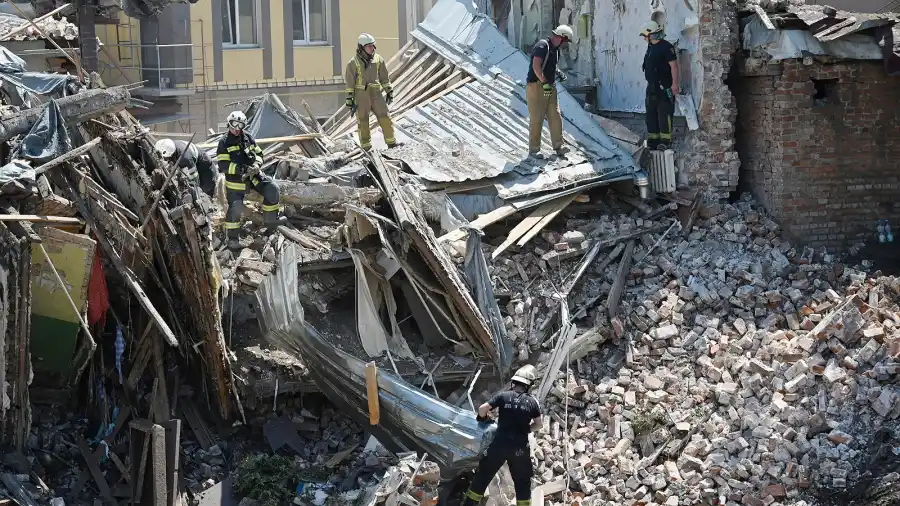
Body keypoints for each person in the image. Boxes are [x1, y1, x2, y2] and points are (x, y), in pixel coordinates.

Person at [462, 365, 543, 506]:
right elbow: (539, 425)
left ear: (514, 382)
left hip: (499, 445)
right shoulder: (532, 402)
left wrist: (485, 418)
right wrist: (526, 429)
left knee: (483, 477)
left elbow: (482, 409)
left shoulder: (503, 396)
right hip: (519, 449)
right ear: (529, 385)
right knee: (522, 482)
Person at [215, 110, 286, 250]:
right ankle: (233, 239)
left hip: (254, 177)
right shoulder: (224, 142)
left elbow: (259, 153)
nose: (236, 129)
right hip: (236, 182)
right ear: (229, 124)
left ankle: (271, 223)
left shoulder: (248, 137)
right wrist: (240, 169)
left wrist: (256, 165)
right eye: (234, 125)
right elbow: (223, 165)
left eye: (240, 126)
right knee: (235, 208)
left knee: (273, 189)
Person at [525, 25, 574, 160]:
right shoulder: (542, 46)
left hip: (549, 87)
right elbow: (536, 66)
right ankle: (534, 150)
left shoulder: (555, 50)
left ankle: (558, 146)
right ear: (561, 37)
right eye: (565, 41)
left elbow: (551, 66)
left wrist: (559, 73)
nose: (565, 45)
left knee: (555, 115)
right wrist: (544, 82)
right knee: (537, 117)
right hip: (537, 86)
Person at [344, 33, 398, 151]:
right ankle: (366, 147)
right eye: (369, 46)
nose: (372, 48)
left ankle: (392, 143)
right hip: (361, 95)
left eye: (373, 46)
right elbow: (349, 82)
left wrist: (389, 90)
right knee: (363, 121)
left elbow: (384, 77)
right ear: (361, 47)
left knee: (385, 117)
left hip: (376, 93)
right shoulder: (353, 63)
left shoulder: (378, 59)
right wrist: (349, 98)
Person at [640, 20, 679, 150]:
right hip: (651, 86)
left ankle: (665, 141)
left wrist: (674, 84)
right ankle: (653, 140)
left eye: (645, 36)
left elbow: (674, 66)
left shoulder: (666, 47)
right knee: (651, 113)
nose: (645, 39)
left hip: (664, 86)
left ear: (651, 35)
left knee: (664, 113)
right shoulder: (651, 47)